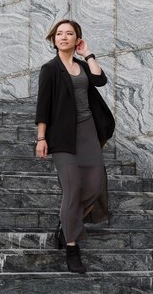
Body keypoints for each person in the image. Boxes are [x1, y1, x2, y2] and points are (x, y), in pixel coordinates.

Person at [35, 20, 115, 274]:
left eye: (69, 33)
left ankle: (66, 224)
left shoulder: (82, 66)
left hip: (88, 134)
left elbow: (100, 80)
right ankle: (72, 247)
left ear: (77, 38)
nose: (63, 37)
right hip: (62, 137)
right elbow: (43, 105)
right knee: (73, 189)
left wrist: (88, 53)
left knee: (94, 187)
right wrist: (41, 138)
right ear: (53, 39)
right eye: (59, 34)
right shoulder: (49, 69)